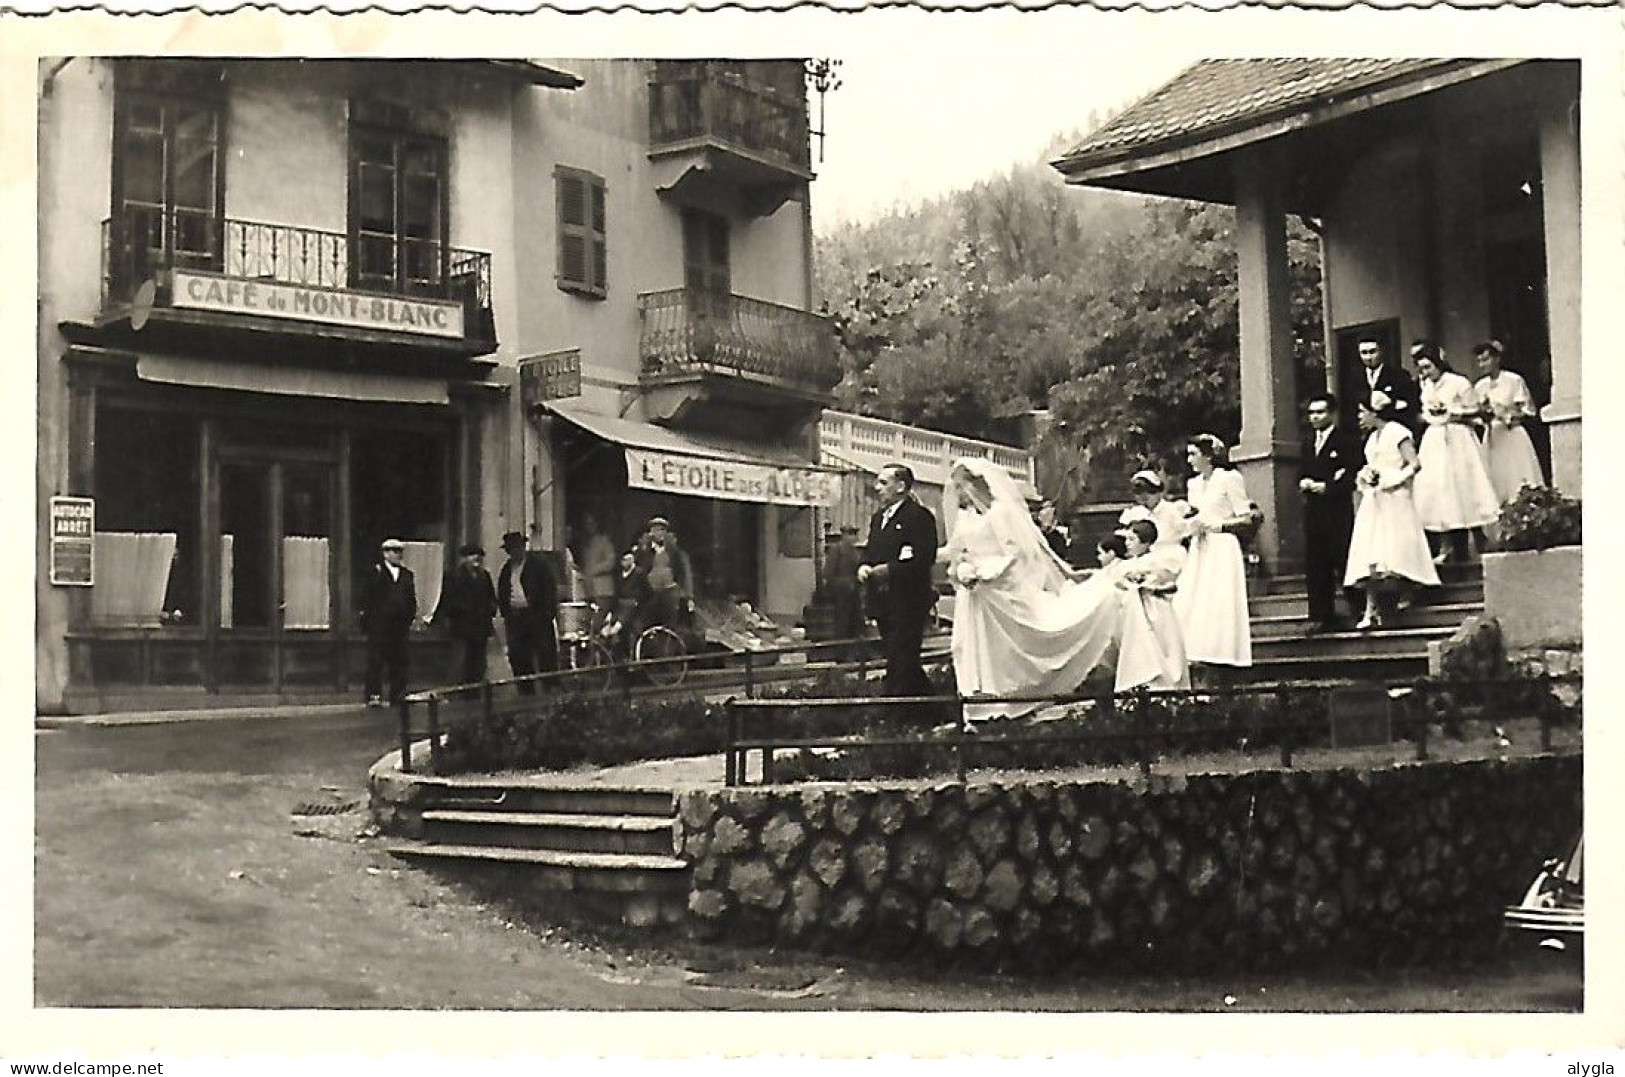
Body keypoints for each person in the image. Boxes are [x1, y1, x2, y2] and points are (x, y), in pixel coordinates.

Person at [941, 458, 1120, 723]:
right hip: (976, 594)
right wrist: (957, 567)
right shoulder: (965, 517)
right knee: (968, 646)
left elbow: (1014, 551)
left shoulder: (999, 513)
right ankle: (979, 706)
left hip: (999, 586)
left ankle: (1012, 699)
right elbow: (955, 550)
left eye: (960, 488)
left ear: (975, 485)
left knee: (1013, 645)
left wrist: (985, 573)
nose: (957, 495)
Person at [1345, 400, 1440, 629]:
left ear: (1374, 412)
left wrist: (1393, 479)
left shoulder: (1397, 431)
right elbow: (1371, 465)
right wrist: (1366, 476)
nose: (1359, 418)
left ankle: (1406, 591)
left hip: (1396, 497)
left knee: (1397, 547)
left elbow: (1414, 464)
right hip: (1376, 499)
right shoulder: (1371, 438)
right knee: (1371, 551)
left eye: (1362, 412)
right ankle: (1371, 609)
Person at [857, 463, 941, 698]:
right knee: (900, 658)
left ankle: (896, 710)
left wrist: (891, 570)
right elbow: (871, 550)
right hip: (883, 602)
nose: (877, 488)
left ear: (901, 486)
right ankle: (931, 708)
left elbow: (924, 558)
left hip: (909, 601)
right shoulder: (878, 519)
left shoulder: (918, 517)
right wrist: (864, 565)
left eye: (884, 483)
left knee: (901, 658)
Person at [1411, 341, 1499, 564]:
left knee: (1465, 485)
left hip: (1459, 438)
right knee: (1440, 489)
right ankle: (1446, 543)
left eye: (1428, 367)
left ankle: (1480, 539)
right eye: (1421, 368)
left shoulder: (1459, 383)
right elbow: (1425, 412)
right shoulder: (1427, 386)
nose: (1425, 373)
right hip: (1435, 439)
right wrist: (1432, 415)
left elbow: (1475, 410)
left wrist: (1453, 413)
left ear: (1439, 364)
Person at [1172, 434, 1253, 672]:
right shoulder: (1193, 484)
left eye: (1193, 454)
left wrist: (1219, 525)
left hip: (1223, 545)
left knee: (1220, 600)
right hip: (1200, 546)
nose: (1189, 460)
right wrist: (1189, 521)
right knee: (1193, 598)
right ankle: (1197, 652)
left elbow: (1246, 518)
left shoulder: (1229, 478)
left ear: (1208, 456)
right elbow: (1196, 513)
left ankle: (1224, 654)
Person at [1299, 391, 1363, 633]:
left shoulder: (1344, 440)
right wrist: (1304, 481)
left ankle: (1357, 609)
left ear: (1332, 414)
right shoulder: (1307, 443)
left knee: (1343, 557)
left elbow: (1351, 473)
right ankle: (1321, 615)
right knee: (1316, 563)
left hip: (1336, 510)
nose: (1315, 417)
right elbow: (1303, 470)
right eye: (1312, 413)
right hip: (1314, 512)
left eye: (1320, 412)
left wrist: (1327, 486)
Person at [1114, 519, 1189, 692]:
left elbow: (1167, 580)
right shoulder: (1125, 564)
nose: (1127, 543)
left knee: (1163, 644)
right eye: (1127, 539)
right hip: (1134, 610)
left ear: (1146, 542)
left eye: (1132, 539)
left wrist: (1145, 581)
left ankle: (1168, 685)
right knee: (1140, 647)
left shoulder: (1158, 560)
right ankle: (1142, 684)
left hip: (1155, 607)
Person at [1473, 339, 1545, 505]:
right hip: (1493, 437)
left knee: (1517, 477)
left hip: (1512, 435)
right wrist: (1485, 413)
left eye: (1486, 359)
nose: (1482, 364)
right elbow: (1477, 417)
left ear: (1496, 359)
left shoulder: (1514, 380)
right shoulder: (1480, 386)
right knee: (1495, 480)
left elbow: (1528, 411)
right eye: (1479, 361)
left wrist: (1508, 415)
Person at [496, 530, 558, 696]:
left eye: (517, 548)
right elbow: (502, 592)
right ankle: (525, 691)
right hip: (516, 619)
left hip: (537, 616)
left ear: (523, 547)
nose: (514, 552)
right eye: (511, 549)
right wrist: (506, 613)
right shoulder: (507, 569)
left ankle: (549, 689)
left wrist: (546, 614)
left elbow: (549, 590)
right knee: (519, 656)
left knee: (544, 654)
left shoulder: (538, 566)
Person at [359, 537, 418, 707]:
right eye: (393, 551)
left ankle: (398, 693)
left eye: (400, 551)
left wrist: (410, 616)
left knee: (399, 660)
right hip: (380, 625)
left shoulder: (407, 575)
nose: (397, 555)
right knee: (376, 660)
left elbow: (410, 598)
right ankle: (374, 695)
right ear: (385, 554)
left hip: (399, 625)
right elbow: (366, 598)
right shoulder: (376, 572)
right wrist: (371, 620)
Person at [431, 542, 498, 685]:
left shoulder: (484, 576)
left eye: (478, 556)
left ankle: (476, 689)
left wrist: (491, 609)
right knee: (462, 661)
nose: (476, 559)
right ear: (464, 558)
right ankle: (461, 690)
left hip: (481, 626)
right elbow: (447, 600)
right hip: (463, 626)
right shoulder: (454, 576)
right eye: (471, 555)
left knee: (479, 662)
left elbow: (491, 597)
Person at [1117, 469, 1191, 566]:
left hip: (1170, 557)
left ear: (1158, 491)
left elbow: (1188, 533)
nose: (1143, 497)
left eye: (1148, 492)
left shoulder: (1173, 509)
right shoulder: (1134, 513)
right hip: (1143, 559)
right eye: (1138, 493)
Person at [633, 516, 694, 631]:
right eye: (656, 530)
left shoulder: (673, 550)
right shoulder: (644, 550)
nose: (659, 533)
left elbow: (682, 571)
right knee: (647, 623)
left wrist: (686, 594)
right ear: (651, 532)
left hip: (669, 591)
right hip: (650, 592)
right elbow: (639, 570)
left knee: (670, 623)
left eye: (662, 530)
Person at [1357, 336, 1420, 432]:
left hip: (1393, 431)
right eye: (1364, 353)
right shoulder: (1355, 380)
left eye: (1372, 352)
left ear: (1381, 351)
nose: (1369, 357)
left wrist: (1390, 404)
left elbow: (1410, 406)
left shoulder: (1398, 375)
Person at [822, 524, 864, 654]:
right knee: (842, 624)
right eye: (849, 534)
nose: (852, 538)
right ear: (843, 535)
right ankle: (841, 654)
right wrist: (843, 584)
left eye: (854, 534)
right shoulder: (837, 550)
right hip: (841, 594)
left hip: (854, 593)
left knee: (857, 624)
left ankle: (856, 655)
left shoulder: (856, 552)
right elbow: (828, 573)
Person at [576, 513, 618, 610]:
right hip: (588, 590)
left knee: (598, 620)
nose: (589, 526)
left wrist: (594, 569)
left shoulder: (604, 541)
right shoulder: (584, 543)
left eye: (591, 523)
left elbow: (610, 562)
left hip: (603, 589)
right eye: (586, 524)